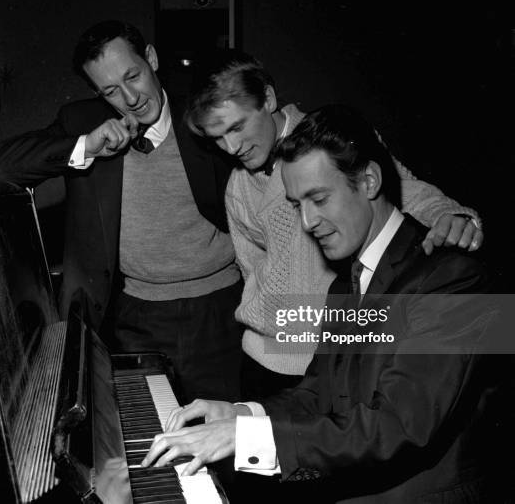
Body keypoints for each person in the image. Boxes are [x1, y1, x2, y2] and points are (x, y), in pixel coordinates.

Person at [141, 105, 505, 502]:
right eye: (299, 205)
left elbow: (399, 426)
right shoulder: (346, 284)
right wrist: (239, 414)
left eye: (319, 198)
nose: (308, 222)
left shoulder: (456, 279)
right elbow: (317, 394)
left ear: (368, 180)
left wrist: (247, 437)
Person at [185, 50, 484, 399]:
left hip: (327, 360)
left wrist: (450, 215)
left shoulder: (332, 139)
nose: (231, 146)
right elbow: (252, 271)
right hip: (259, 357)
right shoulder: (238, 184)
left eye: (236, 127)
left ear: (267, 98)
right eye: (217, 137)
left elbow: (402, 188)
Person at [0, 21, 242, 403]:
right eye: (111, 91)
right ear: (96, 92)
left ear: (151, 58)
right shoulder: (83, 123)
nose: (131, 98)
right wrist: (85, 145)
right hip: (134, 319)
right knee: (150, 446)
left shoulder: (204, 111)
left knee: (227, 439)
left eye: (133, 76)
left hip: (221, 312)